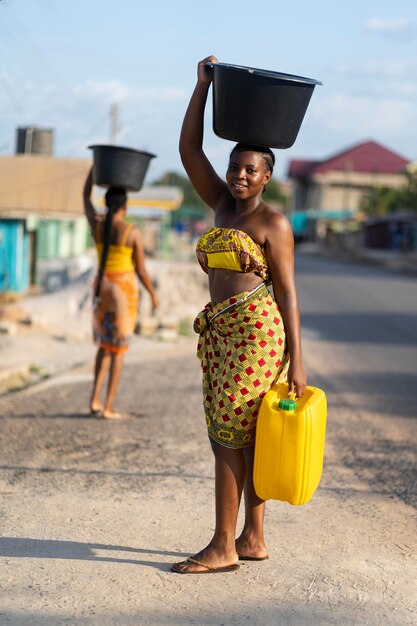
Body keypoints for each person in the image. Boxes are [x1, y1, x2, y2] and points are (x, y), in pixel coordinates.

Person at [171, 56, 307, 574]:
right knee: (240, 434)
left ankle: (223, 545)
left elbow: (289, 295)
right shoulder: (222, 205)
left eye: (251, 170)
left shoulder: (275, 223)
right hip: (223, 333)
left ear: (268, 176)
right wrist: (202, 86)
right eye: (235, 168)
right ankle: (253, 537)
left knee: (227, 437)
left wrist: (297, 361)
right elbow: (188, 149)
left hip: (257, 334)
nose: (239, 176)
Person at [83, 167, 159, 419]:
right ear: (125, 207)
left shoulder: (97, 225)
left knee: (104, 345)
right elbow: (141, 271)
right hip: (123, 293)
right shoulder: (131, 233)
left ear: (106, 203)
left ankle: (94, 400)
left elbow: (85, 198)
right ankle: (108, 406)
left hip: (102, 288)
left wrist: (94, 170)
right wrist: (153, 294)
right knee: (118, 350)